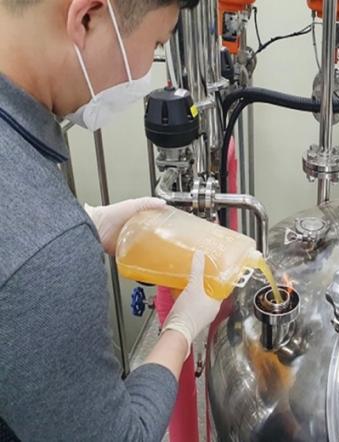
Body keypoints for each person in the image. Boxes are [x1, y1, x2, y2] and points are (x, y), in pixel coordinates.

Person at [0, 0, 222, 440]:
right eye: (155, 45)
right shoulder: (48, 257)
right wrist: (181, 330)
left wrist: (84, 221)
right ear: (87, 17)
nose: (145, 74)